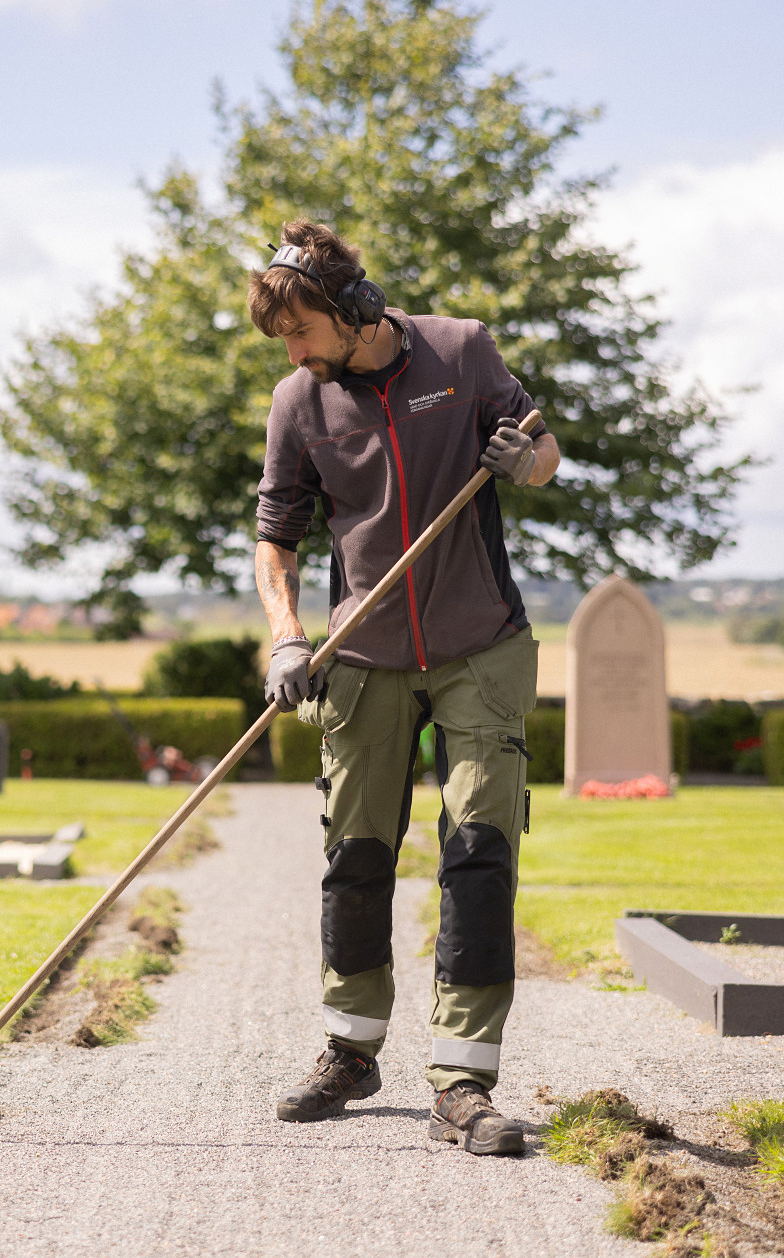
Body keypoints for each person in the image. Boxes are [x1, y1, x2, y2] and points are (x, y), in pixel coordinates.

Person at [247, 220, 560, 1156]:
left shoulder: (464, 352)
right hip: (364, 657)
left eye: (302, 330)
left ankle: (464, 1083)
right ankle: (352, 1049)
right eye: (284, 342)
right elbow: (277, 540)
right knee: (356, 853)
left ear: (354, 308)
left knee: (477, 848)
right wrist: (289, 636)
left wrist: (523, 463)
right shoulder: (299, 404)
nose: (294, 353)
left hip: (480, 648)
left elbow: (544, 455)